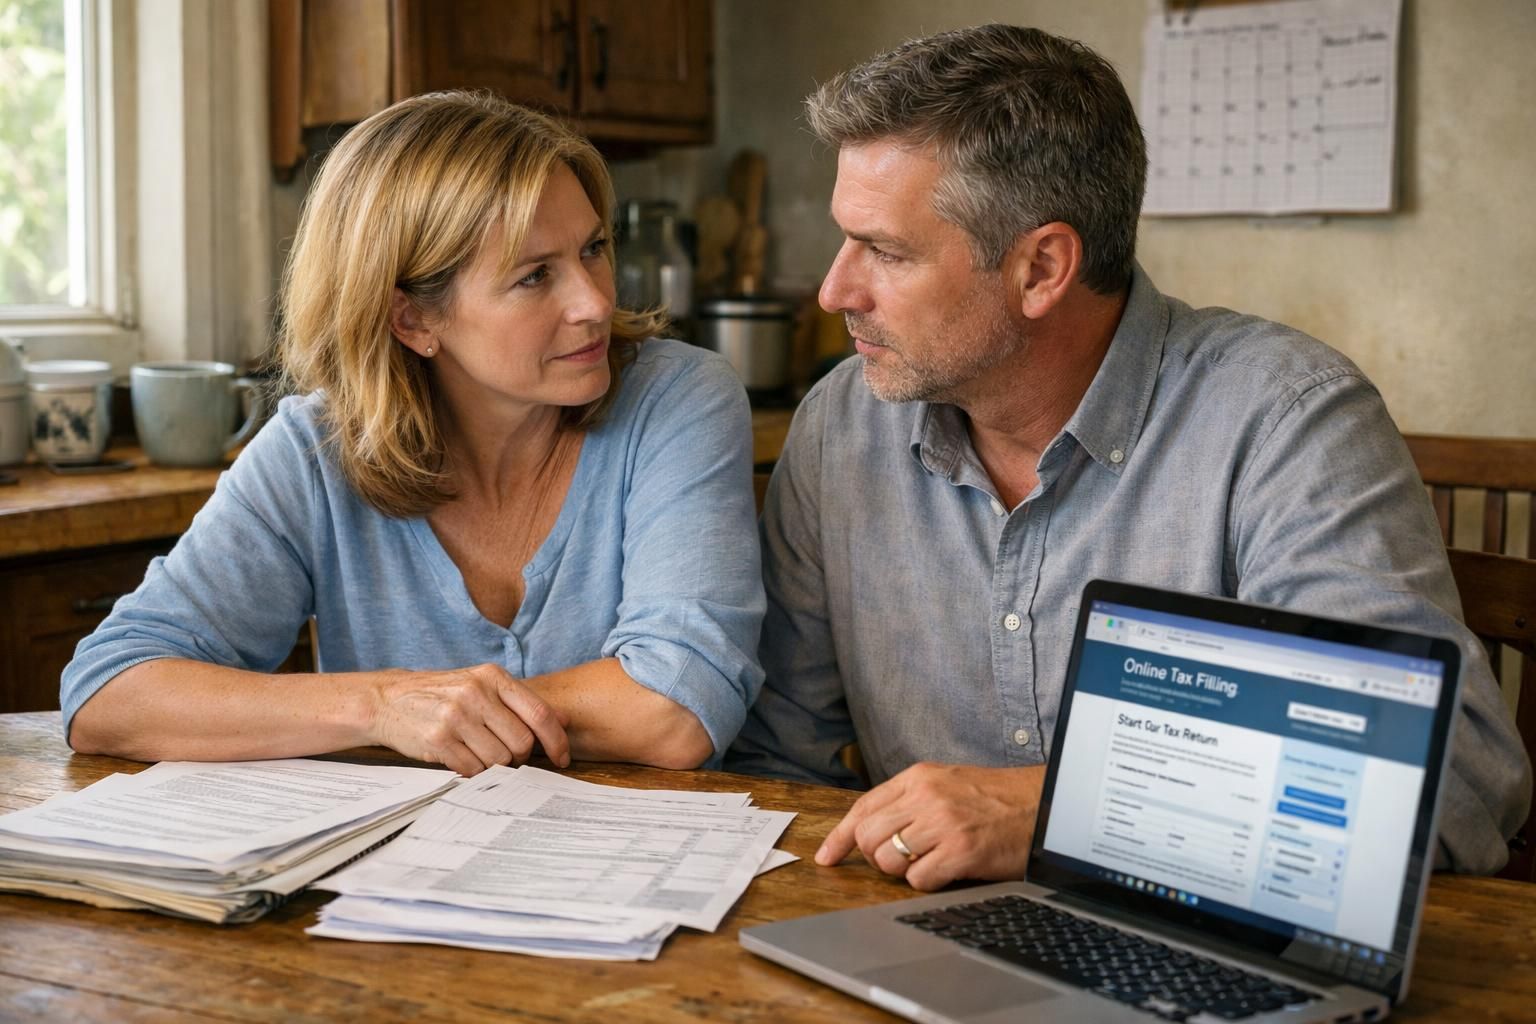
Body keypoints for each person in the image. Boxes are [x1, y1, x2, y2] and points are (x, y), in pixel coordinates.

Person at [726, 24, 1529, 887]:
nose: (834, 290)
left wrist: (1056, 808)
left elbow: (1454, 790)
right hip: (912, 941)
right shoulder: (843, 423)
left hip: (1199, 944)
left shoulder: (1288, 420)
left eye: (884, 251)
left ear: (1042, 269)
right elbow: (779, 760)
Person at [63, 92, 765, 776]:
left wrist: (450, 713)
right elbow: (108, 691)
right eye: (534, 277)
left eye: (594, 249)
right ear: (412, 321)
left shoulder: (677, 401)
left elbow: (678, 708)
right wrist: (380, 707)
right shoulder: (316, 450)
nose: (595, 302)